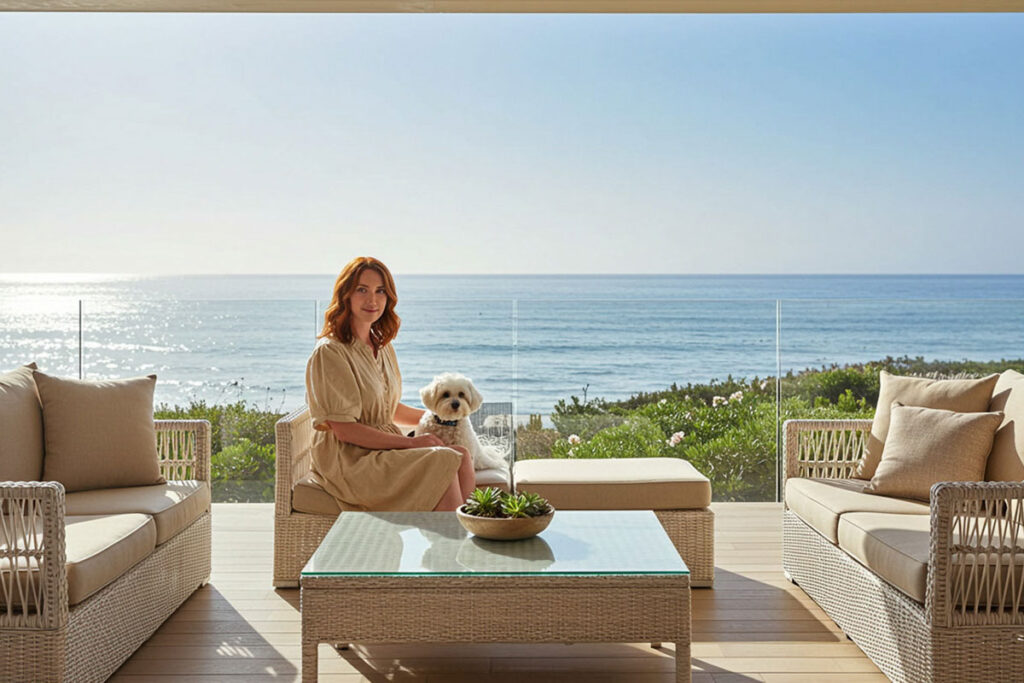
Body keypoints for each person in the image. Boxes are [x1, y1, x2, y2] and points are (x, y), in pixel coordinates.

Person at [305, 257, 475, 511]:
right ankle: (450, 546)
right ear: (346, 296)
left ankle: (461, 537)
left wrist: (444, 417)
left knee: (461, 455)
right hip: (350, 458)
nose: (372, 300)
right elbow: (345, 430)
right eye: (362, 290)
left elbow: (388, 409)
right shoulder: (331, 352)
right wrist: (412, 443)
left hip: (382, 446)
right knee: (442, 461)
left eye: (380, 291)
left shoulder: (382, 347)